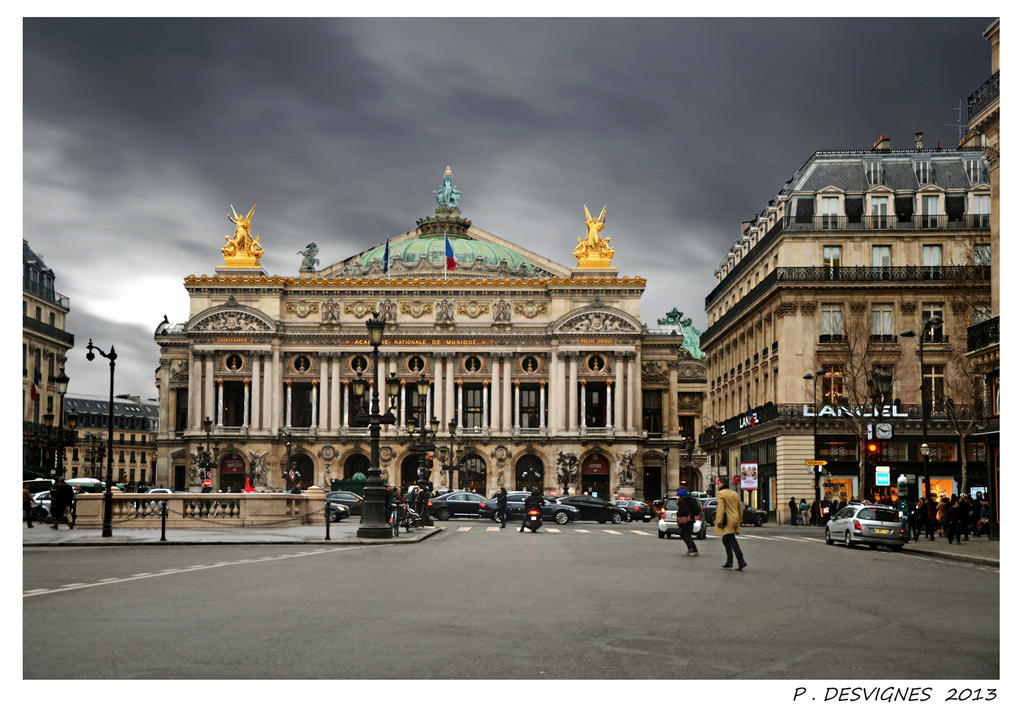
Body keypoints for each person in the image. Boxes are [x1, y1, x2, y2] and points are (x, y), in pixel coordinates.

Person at [714, 477, 746, 570]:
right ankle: (729, 561)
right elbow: (740, 507)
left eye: (718, 483)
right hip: (735, 518)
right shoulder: (735, 494)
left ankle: (741, 560)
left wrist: (719, 521)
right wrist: (740, 519)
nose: (717, 485)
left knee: (731, 540)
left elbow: (721, 508)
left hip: (727, 520)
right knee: (726, 539)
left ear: (722, 484)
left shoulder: (721, 494)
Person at [676, 488, 701, 557]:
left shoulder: (684, 501)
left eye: (678, 495)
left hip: (686, 520)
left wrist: (679, 514)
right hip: (690, 520)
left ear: (681, 495)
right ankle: (690, 548)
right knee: (685, 534)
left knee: (685, 535)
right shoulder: (691, 500)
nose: (677, 497)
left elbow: (685, 510)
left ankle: (694, 550)